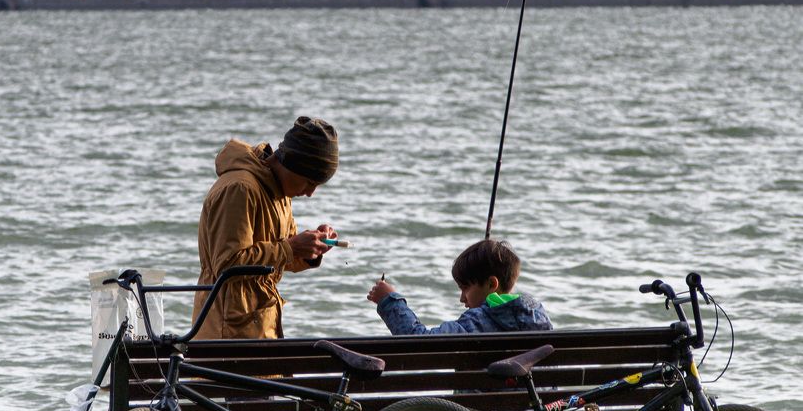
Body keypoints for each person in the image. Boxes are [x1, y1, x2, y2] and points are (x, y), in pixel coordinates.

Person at [192, 116, 340, 340]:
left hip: (261, 327)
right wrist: (291, 247)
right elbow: (227, 264)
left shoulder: (280, 192)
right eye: (310, 183)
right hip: (227, 333)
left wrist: (311, 250)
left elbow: (277, 256)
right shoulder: (240, 189)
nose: (311, 193)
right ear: (291, 163)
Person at [366, 238, 552, 335]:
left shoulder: (475, 323)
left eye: (465, 288)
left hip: (478, 409)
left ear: (491, 284)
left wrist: (389, 300)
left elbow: (417, 341)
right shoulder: (539, 318)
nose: (462, 298)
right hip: (539, 406)